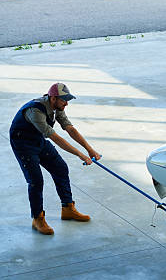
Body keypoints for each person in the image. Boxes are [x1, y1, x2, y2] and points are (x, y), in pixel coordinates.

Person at [9, 83, 102, 235]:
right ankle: (37, 218)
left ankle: (67, 209)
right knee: (36, 180)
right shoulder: (35, 111)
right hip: (23, 145)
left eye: (67, 100)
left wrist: (90, 149)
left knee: (60, 168)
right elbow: (55, 138)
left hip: (37, 140)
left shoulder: (57, 108)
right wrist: (80, 154)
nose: (66, 103)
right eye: (64, 100)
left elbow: (69, 128)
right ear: (53, 98)